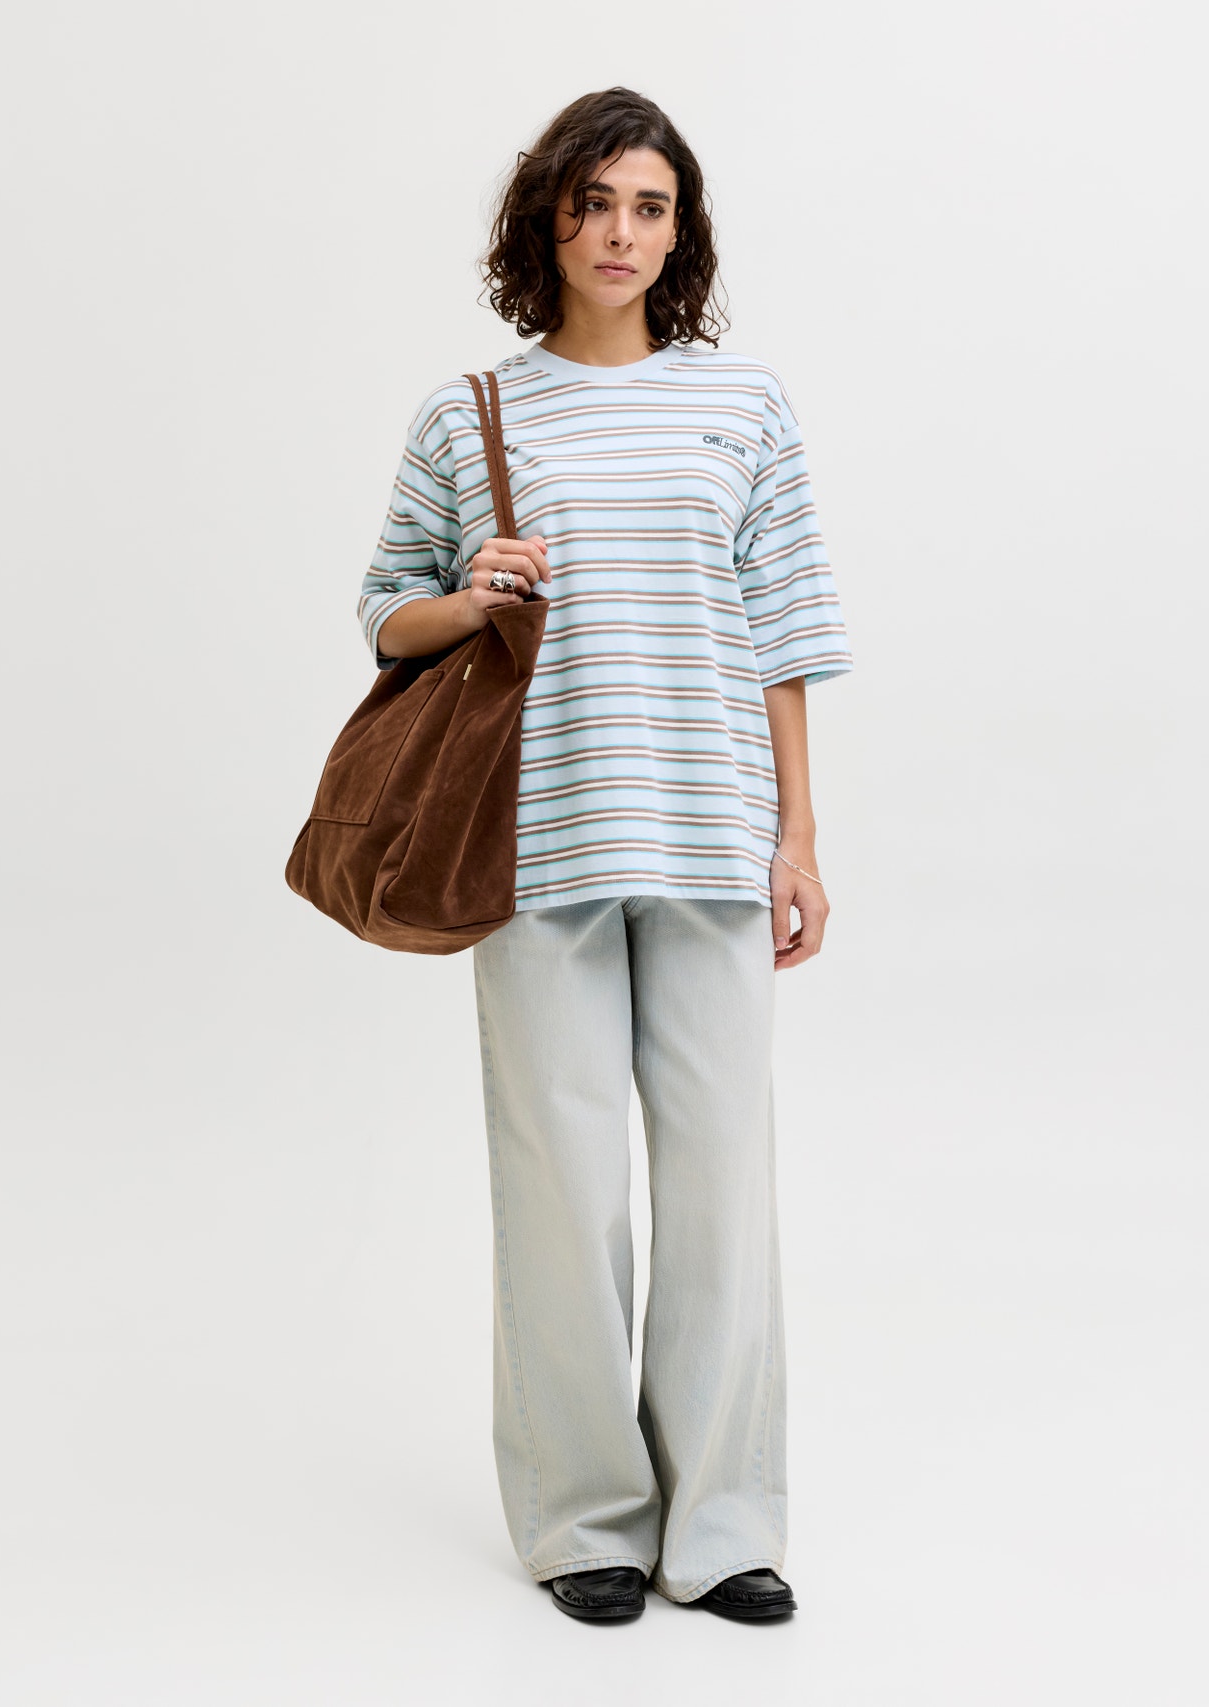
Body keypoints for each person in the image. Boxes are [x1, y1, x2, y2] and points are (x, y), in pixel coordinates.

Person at [358, 87, 853, 1623]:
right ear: (546, 221)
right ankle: (584, 1522)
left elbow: (786, 630)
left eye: (649, 206)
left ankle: (724, 1523)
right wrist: (472, 592)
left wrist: (799, 838)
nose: (620, 233)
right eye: (592, 203)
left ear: (680, 230)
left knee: (721, 1190)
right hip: (537, 846)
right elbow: (387, 612)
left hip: (710, 837)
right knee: (563, 1193)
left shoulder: (745, 403)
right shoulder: (470, 414)